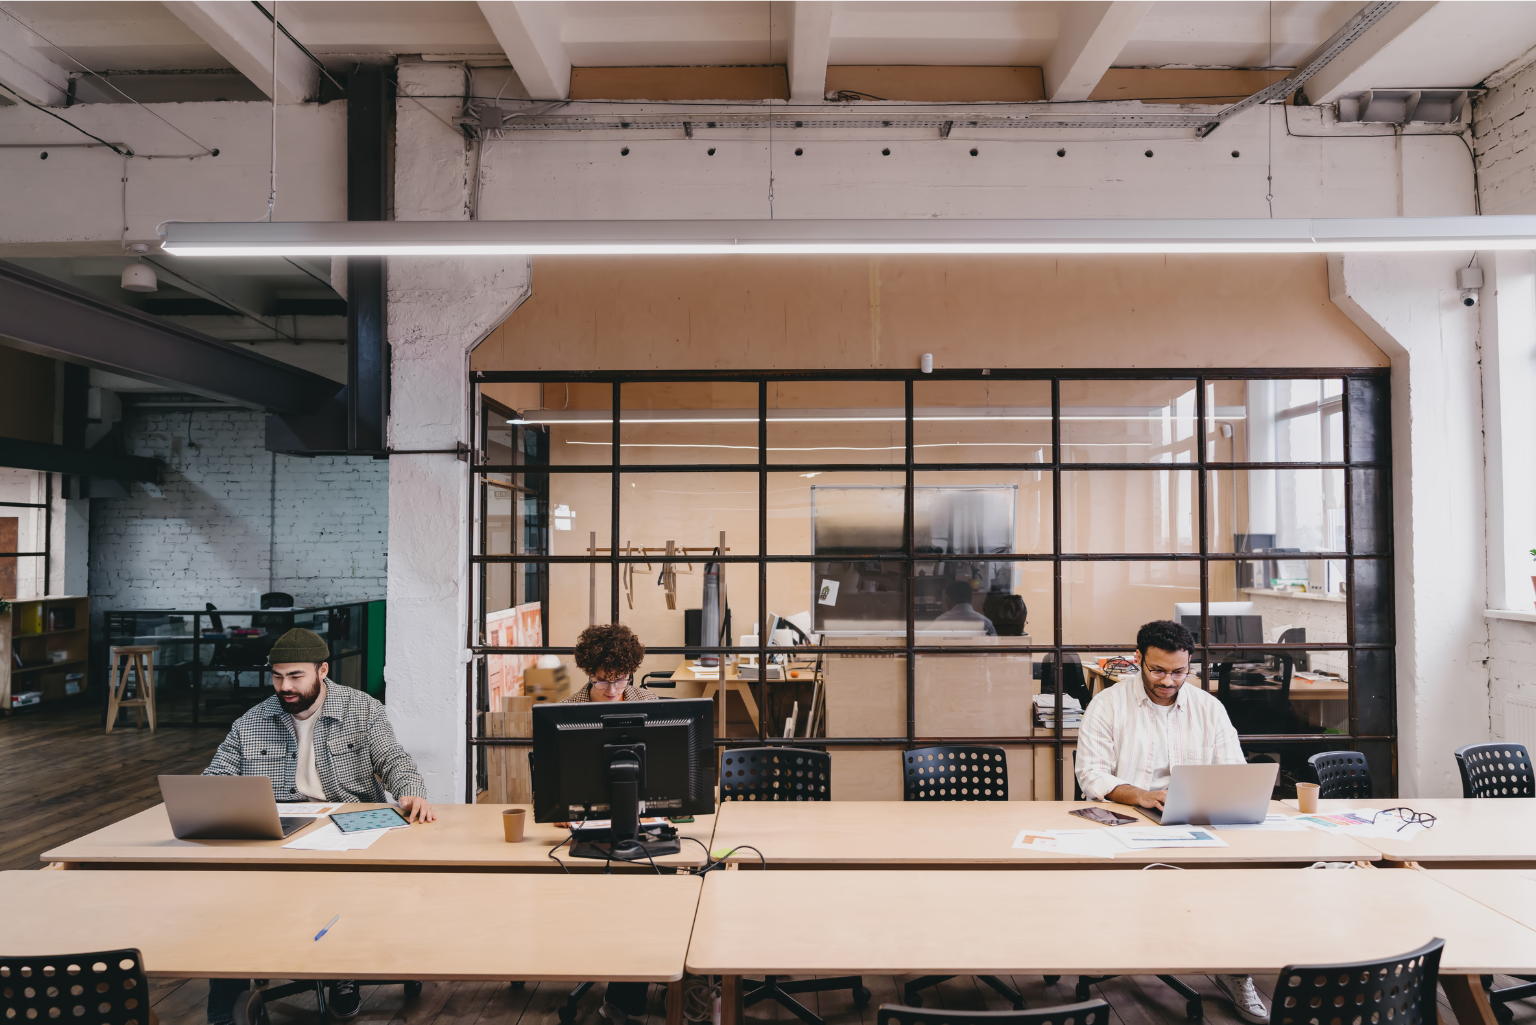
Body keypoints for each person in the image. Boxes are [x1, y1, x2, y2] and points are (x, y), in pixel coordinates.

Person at [201, 627, 435, 1024]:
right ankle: (225, 1009)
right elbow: (218, 774)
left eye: (295, 676)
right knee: (227, 900)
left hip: (349, 822)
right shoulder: (253, 721)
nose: (284, 687)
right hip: (278, 827)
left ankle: (342, 973)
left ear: (322, 670)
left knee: (341, 884)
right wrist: (209, 800)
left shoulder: (361, 709)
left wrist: (411, 791)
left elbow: (393, 759)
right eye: (277, 677)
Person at [1074, 619, 1267, 1025]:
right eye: (1157, 670)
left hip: (1194, 819)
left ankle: (1235, 970)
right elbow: (1091, 774)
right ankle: (1114, 945)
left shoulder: (1208, 707)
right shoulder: (1106, 705)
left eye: (1178, 671)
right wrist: (1140, 794)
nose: (1168, 680)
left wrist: (1209, 797)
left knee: (1243, 877)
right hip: (1128, 819)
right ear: (1139, 659)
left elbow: (1232, 768)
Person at [562, 623, 656, 1024]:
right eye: (603, 681)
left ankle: (636, 992)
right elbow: (552, 782)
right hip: (586, 825)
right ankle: (624, 1003)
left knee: (653, 890)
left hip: (639, 820)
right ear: (589, 673)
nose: (614, 689)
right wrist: (561, 812)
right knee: (629, 899)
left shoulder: (649, 702)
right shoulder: (566, 712)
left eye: (620, 678)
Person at [563, 622, 658, 704]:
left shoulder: (649, 700)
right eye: (602, 681)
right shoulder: (564, 711)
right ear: (589, 673)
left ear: (629, 673)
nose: (612, 691)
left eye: (619, 680)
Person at [932, 580, 996, 635]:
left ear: (948, 600)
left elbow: (924, 643)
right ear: (970, 599)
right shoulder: (986, 623)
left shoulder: (939, 622)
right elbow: (995, 647)